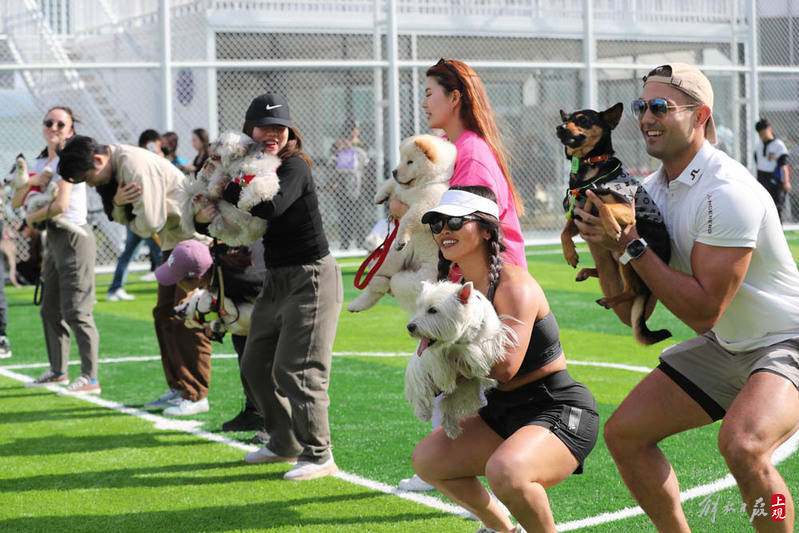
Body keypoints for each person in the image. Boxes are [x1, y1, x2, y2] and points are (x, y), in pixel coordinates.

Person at [575, 63, 799, 533]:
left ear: (700, 116)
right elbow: (630, 312)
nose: (646, 118)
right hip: (728, 344)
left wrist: (632, 247)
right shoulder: (649, 191)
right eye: (641, 106)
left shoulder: (727, 191)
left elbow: (702, 313)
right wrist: (602, 244)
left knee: (744, 447)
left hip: (786, 340)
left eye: (660, 107)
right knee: (625, 435)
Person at [412, 186, 599, 533]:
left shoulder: (515, 285)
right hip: (502, 410)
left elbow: (505, 367)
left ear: (486, 230)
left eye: (456, 221)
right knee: (428, 460)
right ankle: (503, 530)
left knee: (507, 472)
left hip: (556, 407)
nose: (444, 230)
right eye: (437, 224)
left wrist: (441, 366)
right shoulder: (456, 292)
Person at [398, 56, 531, 493]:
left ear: (454, 98)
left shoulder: (471, 152)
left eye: (430, 93)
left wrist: (407, 213)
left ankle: (455, 462)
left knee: (468, 368)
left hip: (490, 276)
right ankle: (450, 459)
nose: (424, 103)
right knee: (450, 361)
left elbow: (474, 224)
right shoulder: (459, 148)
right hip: (480, 275)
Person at [195, 92, 342, 481]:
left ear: (290, 131)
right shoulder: (243, 165)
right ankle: (283, 442)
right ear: (249, 130)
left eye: (279, 127)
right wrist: (204, 208)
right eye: (263, 127)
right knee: (255, 363)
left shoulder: (295, 166)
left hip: (311, 276)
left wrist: (220, 186)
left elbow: (270, 207)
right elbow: (207, 217)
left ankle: (319, 454)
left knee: (299, 369)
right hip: (275, 277)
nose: (272, 134)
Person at [57, 134, 213, 416]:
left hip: (195, 243)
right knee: (164, 314)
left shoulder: (133, 165)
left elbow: (149, 224)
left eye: (87, 178)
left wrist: (124, 212)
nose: (90, 184)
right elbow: (127, 219)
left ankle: (196, 394)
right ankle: (179, 387)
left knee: (188, 316)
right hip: (174, 243)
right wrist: (119, 204)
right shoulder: (117, 167)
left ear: (98, 160)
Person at [18, 107, 100, 393]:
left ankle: (90, 377)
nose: (53, 127)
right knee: (50, 309)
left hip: (74, 237)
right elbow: (19, 199)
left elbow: (61, 205)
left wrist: (31, 218)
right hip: (53, 239)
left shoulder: (69, 160)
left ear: (71, 130)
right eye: (49, 122)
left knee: (78, 311)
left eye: (60, 124)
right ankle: (58, 371)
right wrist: (28, 184)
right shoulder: (42, 162)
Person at [154, 239, 265, 428]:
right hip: (260, 293)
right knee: (244, 349)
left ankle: (276, 424)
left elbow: (267, 314)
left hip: (292, 299)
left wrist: (224, 323)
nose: (175, 284)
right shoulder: (218, 266)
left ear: (197, 277)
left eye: (177, 278)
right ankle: (255, 411)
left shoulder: (241, 278)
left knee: (264, 360)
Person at [106, 129, 165, 301]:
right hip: (143, 218)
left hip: (138, 218)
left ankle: (115, 288)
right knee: (160, 253)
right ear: (149, 144)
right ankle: (170, 287)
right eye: (155, 145)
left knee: (131, 254)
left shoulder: (132, 161)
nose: (157, 149)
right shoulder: (137, 163)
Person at [328, 120, 369, 250]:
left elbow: (366, 162)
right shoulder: (337, 145)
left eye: (355, 128)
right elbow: (331, 163)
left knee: (359, 217)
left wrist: (351, 148)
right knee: (344, 217)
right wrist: (340, 150)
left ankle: (361, 244)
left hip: (358, 185)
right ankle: (344, 244)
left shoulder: (362, 145)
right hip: (342, 186)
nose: (353, 131)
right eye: (350, 128)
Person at [754, 118, 791, 222]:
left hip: (775, 181)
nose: (762, 136)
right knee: (762, 208)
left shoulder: (778, 145)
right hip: (762, 179)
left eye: (764, 132)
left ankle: (778, 230)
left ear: (770, 129)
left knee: (776, 208)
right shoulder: (758, 145)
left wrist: (786, 182)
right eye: (760, 134)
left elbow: (783, 165)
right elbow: (757, 161)